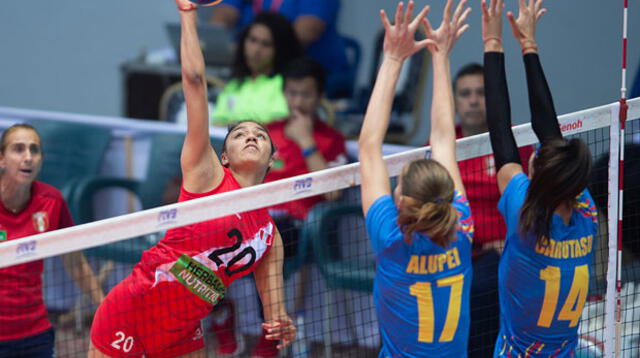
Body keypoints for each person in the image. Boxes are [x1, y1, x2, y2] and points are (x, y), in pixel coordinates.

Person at [88, 1, 295, 357]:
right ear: (224, 156)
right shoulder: (206, 175)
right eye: (240, 133)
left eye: (260, 135)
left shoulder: (269, 238)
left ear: (272, 158)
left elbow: (275, 312)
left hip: (182, 330)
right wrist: (188, 14)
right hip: (135, 310)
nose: (250, 136)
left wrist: (283, 323)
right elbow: (195, 83)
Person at [482, 0, 598, 355]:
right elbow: (549, 133)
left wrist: (493, 43)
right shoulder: (586, 213)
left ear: (537, 175)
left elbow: (500, 131)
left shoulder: (523, 212)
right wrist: (528, 45)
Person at [359, 1, 473, 356]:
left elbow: (367, 145)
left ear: (400, 201)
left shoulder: (391, 237)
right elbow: (442, 140)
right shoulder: (462, 228)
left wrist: (393, 59)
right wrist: (440, 57)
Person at [449, 62, 534, 357]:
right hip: (465, 254)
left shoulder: (517, 143)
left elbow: (532, 203)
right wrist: (484, 243)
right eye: (465, 93)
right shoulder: (442, 146)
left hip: (512, 251)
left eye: (482, 92)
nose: (473, 100)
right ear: (454, 101)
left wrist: (510, 242)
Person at [0, 123, 105, 358]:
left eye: (34, 150)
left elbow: (75, 262)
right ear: (2, 159)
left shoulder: (51, 201)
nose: (28, 157)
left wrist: (105, 306)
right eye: (18, 149)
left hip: (35, 334)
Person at [210, 0, 350, 98]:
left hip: (307, 76)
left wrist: (251, 48)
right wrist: (217, 44)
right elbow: (223, 14)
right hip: (251, 70)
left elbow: (306, 31)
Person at [212, 11, 302, 126]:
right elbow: (217, 125)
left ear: (280, 49)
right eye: (252, 40)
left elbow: (280, 127)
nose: (256, 50)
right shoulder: (234, 84)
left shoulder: (287, 85)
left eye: (266, 44)